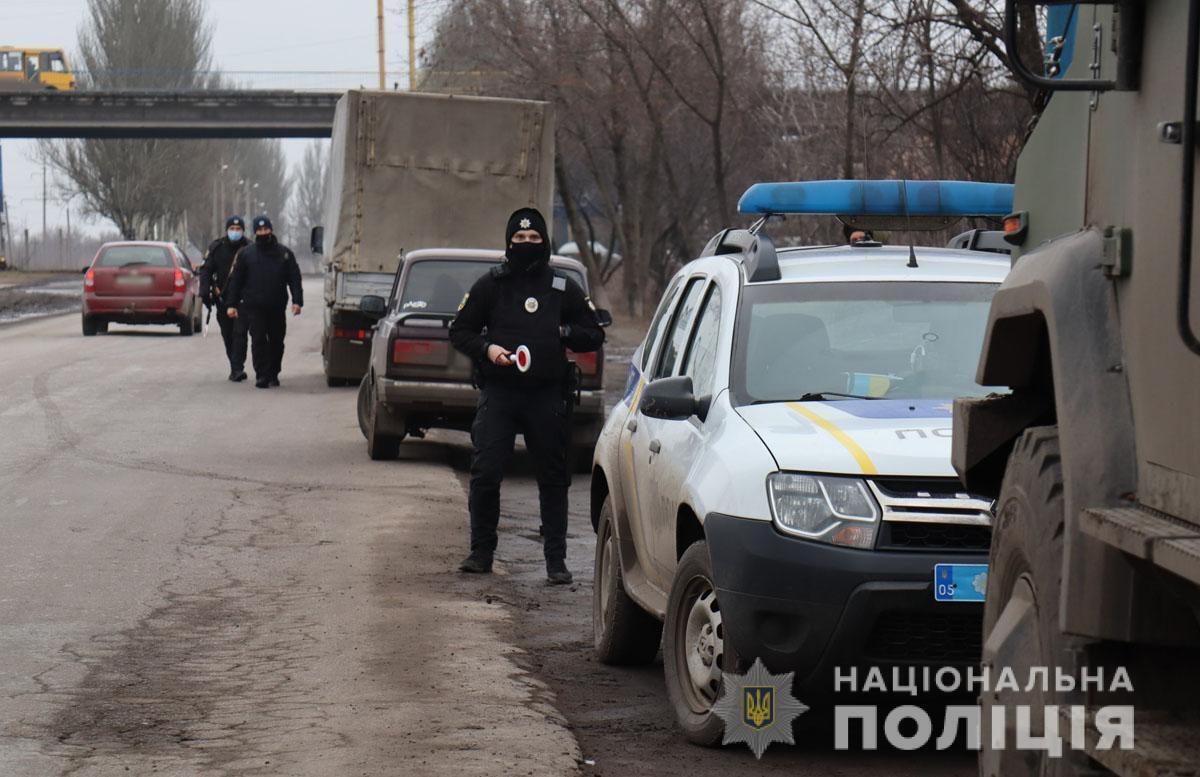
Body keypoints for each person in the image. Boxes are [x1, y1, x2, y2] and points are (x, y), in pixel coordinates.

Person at [449, 207, 605, 584]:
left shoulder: (562, 287)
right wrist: (487, 350)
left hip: (546, 395)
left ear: (544, 243)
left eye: (533, 239)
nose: (526, 245)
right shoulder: (491, 284)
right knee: (485, 473)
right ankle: (481, 553)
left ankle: (556, 561)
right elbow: (460, 330)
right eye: (519, 239)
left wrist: (562, 332)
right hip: (501, 393)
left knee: (554, 478)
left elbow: (594, 333)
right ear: (508, 243)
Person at [223, 216, 303, 389]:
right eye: (259, 231)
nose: (263, 233)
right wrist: (232, 304)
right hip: (254, 307)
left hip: (276, 306)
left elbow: (294, 279)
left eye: (266, 230)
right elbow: (236, 281)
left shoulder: (284, 253)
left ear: (271, 230)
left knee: (276, 341)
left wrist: (297, 301)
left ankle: (273, 372)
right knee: (258, 340)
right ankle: (262, 375)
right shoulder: (246, 254)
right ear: (255, 232)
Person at [199, 215, 250, 381]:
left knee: (240, 333)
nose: (235, 232)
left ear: (243, 231)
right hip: (223, 298)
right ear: (227, 230)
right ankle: (234, 365)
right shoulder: (217, 248)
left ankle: (237, 368)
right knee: (228, 334)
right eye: (232, 229)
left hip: (243, 300)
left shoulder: (249, 248)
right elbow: (206, 270)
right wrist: (205, 291)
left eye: (238, 229)